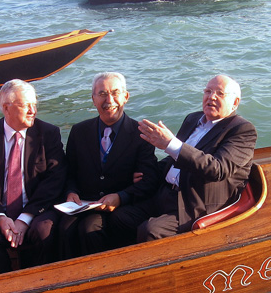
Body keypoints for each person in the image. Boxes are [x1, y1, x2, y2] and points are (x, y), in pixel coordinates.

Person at [110, 74, 257, 243]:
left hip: (195, 203)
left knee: (151, 230)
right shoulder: (193, 119)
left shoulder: (242, 130)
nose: (211, 97)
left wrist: (170, 143)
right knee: (121, 217)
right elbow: (174, 158)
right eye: (207, 91)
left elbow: (217, 169)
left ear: (235, 102)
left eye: (220, 93)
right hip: (165, 193)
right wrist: (147, 172)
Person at [0, 79, 67, 275]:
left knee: (45, 229)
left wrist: (25, 217)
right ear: (6, 108)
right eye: (26, 105)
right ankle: (4, 283)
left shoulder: (48, 133)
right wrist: (0, 217)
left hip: (36, 210)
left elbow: (55, 179)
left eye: (34, 105)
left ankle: (39, 279)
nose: (32, 111)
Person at [59, 72, 160, 258]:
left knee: (89, 228)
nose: (109, 100)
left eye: (115, 93)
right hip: (82, 203)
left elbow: (149, 181)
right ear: (93, 99)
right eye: (102, 94)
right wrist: (70, 191)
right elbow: (69, 171)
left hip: (117, 206)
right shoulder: (79, 131)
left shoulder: (141, 135)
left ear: (126, 97)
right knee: (63, 229)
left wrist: (121, 197)